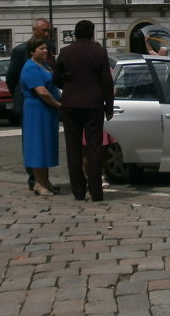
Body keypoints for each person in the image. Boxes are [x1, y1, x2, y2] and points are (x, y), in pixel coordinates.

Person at [54, 20, 114, 202]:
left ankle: (78, 191)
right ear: (92, 33)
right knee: (95, 148)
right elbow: (107, 82)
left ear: (75, 34)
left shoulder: (65, 52)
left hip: (71, 103)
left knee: (73, 149)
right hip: (93, 104)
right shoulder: (99, 52)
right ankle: (96, 190)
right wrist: (109, 106)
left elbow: (55, 79)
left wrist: (70, 86)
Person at [7, 18, 54, 192]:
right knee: (34, 142)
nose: (47, 34)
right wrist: (22, 96)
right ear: (34, 30)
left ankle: (44, 180)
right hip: (31, 102)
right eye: (44, 30)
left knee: (44, 143)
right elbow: (12, 78)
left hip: (45, 105)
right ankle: (35, 180)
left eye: (49, 31)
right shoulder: (22, 50)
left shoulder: (49, 50)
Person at [19, 38, 62, 195]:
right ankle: (38, 183)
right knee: (37, 145)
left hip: (47, 110)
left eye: (46, 48)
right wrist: (58, 105)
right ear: (32, 51)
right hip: (37, 109)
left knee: (46, 145)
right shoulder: (30, 67)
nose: (45, 51)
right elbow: (41, 91)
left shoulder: (44, 65)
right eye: (41, 48)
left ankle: (45, 181)